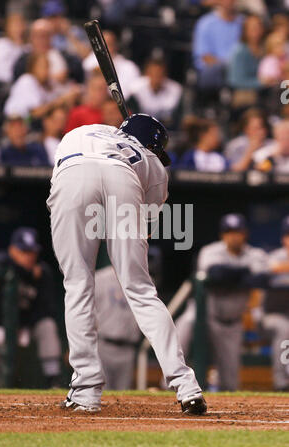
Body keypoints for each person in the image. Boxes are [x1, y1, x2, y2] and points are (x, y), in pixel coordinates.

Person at [47, 113, 206, 415]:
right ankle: (187, 388)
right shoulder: (153, 163)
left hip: (72, 172)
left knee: (78, 285)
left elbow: (60, 174)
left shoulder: (84, 130)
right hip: (123, 177)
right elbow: (148, 222)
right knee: (140, 290)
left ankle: (86, 392)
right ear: (152, 145)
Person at [197, 213, 268, 390]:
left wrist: (230, 275)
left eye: (238, 231)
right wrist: (244, 274)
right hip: (206, 317)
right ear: (223, 235)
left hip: (232, 323)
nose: (234, 236)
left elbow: (260, 279)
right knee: (184, 329)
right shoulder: (210, 251)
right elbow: (216, 274)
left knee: (230, 382)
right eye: (229, 232)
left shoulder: (255, 254)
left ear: (245, 234)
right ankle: (166, 387)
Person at [0, 227, 62, 388]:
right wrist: (28, 273)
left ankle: (53, 380)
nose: (29, 257)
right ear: (12, 250)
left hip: (24, 328)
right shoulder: (1, 264)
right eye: (23, 251)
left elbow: (47, 310)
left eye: (32, 252)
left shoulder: (43, 273)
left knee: (47, 326)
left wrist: (25, 325)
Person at [95, 265, 141, 390]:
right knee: (103, 395)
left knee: (123, 397)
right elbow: (86, 312)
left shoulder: (141, 278)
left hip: (128, 348)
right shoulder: (100, 278)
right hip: (103, 346)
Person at [4, 53, 80, 120]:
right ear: (33, 67)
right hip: (14, 121)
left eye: (48, 67)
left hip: (30, 123)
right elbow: (36, 113)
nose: (46, 70)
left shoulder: (47, 84)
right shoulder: (27, 80)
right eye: (43, 67)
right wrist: (62, 99)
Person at [261, 215, 289, 391]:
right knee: (284, 327)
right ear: (283, 238)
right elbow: (263, 271)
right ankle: (282, 383)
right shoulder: (272, 257)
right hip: (269, 316)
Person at [13, 19, 84, 84]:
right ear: (31, 38)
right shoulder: (23, 61)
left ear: (52, 37)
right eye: (38, 36)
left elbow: (79, 74)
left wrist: (67, 73)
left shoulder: (65, 56)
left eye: (46, 35)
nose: (42, 40)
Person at [192, 0, 244, 89]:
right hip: (214, 69)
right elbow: (205, 56)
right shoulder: (205, 23)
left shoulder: (243, 22)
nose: (229, 2)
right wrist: (227, 66)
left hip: (240, 69)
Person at [83, 30, 140, 100]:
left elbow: (133, 92)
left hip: (120, 104)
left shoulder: (130, 67)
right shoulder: (90, 61)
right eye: (101, 44)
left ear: (116, 45)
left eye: (108, 44)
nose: (104, 47)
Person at [127, 59, 183, 129]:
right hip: (141, 127)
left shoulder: (175, 89)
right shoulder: (136, 88)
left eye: (160, 73)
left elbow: (177, 116)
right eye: (154, 73)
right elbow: (131, 114)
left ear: (165, 74)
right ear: (147, 73)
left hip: (168, 128)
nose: (157, 77)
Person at [227, 16, 265, 98]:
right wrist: (260, 82)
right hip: (245, 92)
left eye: (259, 27)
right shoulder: (239, 52)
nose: (257, 31)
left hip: (265, 90)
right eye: (253, 28)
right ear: (245, 31)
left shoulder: (265, 48)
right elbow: (235, 81)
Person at [0, 14, 27, 84]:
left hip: (22, 83)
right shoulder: (1, 44)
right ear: (8, 27)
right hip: (3, 85)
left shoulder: (28, 47)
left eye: (20, 24)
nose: (18, 28)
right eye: (15, 25)